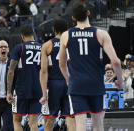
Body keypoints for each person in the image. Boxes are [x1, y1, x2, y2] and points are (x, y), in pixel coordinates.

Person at [59, 1, 123, 131]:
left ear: (73, 18)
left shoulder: (66, 35)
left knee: (81, 125)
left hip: (77, 85)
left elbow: (61, 63)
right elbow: (115, 61)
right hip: (96, 84)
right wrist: (120, 81)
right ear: (88, 13)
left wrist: (67, 79)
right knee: (98, 125)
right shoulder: (101, 34)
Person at [39, 19, 75, 131]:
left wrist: (44, 93)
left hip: (54, 84)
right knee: (70, 118)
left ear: (53, 29)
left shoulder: (47, 45)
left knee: (49, 120)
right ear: (67, 29)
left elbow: (43, 71)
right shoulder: (72, 43)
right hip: (70, 82)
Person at [7, 25, 42, 131]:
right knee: (34, 122)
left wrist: (9, 91)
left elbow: (11, 71)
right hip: (37, 89)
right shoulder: (42, 47)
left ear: (22, 36)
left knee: (16, 120)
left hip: (21, 88)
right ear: (33, 34)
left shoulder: (19, 47)